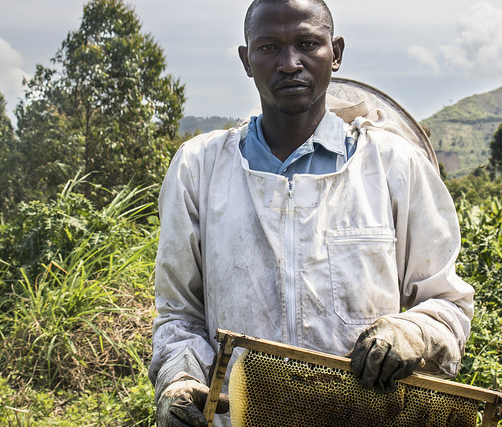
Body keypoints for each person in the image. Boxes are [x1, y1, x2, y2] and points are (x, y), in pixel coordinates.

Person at [149, 0, 475, 425]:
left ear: (335, 52)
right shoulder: (199, 168)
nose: (289, 63)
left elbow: (446, 302)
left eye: (307, 43)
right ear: (246, 60)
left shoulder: (395, 166)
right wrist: (179, 378)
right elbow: (179, 314)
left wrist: (414, 332)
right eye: (268, 48)